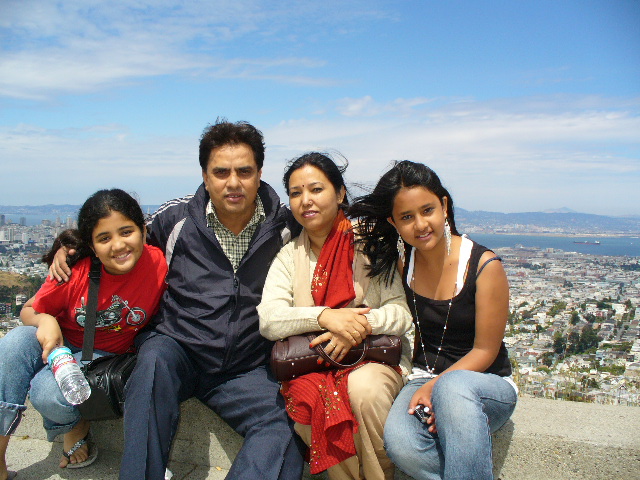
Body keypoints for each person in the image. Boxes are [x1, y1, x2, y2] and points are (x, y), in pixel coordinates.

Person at [49, 119, 305, 480]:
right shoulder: (176, 218)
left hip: (247, 366)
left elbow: (331, 231)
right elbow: (122, 238)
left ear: (260, 173)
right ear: (205, 176)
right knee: (152, 363)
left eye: (244, 171)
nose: (233, 182)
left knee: (287, 424)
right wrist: (71, 244)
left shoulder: (286, 226)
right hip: (178, 352)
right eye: (221, 172)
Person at [349, 160, 517, 480]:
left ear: (444, 206)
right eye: (407, 217)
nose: (421, 224)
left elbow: (486, 351)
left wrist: (439, 388)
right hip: (422, 379)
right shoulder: (404, 263)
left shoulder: (484, 266)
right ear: (394, 223)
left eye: (427, 210)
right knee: (401, 445)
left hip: (483, 384)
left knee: (453, 389)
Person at [258, 153, 413, 480]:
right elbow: (270, 319)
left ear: (340, 193)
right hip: (316, 366)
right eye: (296, 193)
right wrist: (326, 317)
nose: (306, 200)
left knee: (363, 389)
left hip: (375, 360)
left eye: (316, 189)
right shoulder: (289, 256)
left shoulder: (370, 244)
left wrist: (360, 325)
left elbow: (400, 313)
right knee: (310, 397)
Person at [0, 189, 167, 480]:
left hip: (106, 355)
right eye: (104, 238)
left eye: (126, 232)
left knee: (47, 393)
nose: (118, 245)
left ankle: (75, 427)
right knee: (13, 342)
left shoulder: (158, 264)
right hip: (59, 341)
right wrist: (45, 320)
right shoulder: (75, 269)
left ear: (143, 230)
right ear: (91, 245)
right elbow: (28, 311)